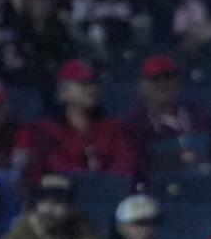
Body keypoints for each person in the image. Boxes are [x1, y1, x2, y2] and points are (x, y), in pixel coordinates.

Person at [17, 59, 140, 187]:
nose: (91, 89)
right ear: (63, 92)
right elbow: (48, 170)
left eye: (93, 83)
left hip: (108, 196)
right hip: (63, 199)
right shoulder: (44, 130)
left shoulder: (112, 127)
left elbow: (126, 164)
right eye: (83, 84)